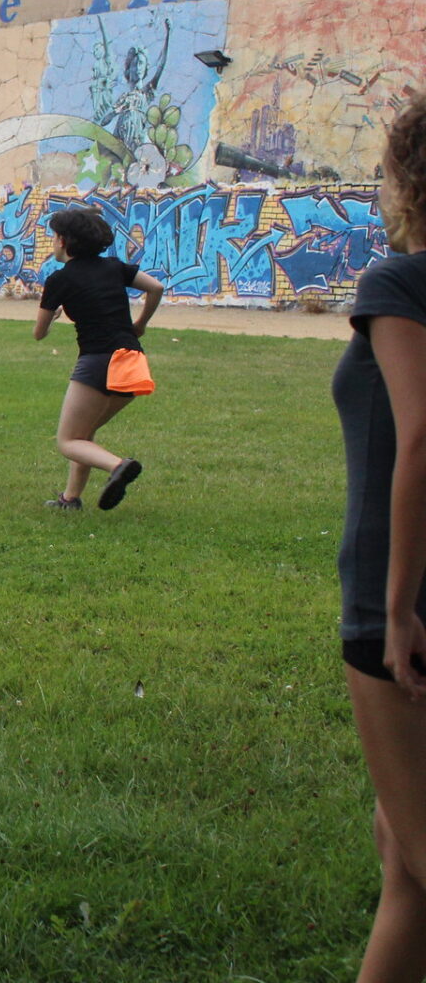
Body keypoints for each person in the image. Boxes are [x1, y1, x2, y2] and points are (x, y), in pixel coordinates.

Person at [334, 92, 426, 983]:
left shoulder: (400, 282)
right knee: (402, 857)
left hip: (400, 601)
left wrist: (398, 608)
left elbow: (420, 435)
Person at [33, 207, 162, 510]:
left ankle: (118, 466)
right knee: (84, 435)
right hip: (132, 361)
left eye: (54, 236)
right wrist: (140, 324)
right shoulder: (114, 267)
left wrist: (54, 318)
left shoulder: (59, 280)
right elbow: (156, 287)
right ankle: (70, 499)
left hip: (98, 362)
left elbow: (39, 333)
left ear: (63, 241)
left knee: (68, 442)